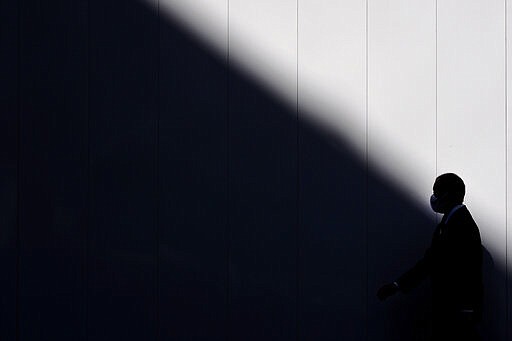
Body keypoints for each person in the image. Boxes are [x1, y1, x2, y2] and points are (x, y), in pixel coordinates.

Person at [377, 173, 483, 341]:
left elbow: (437, 264)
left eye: (436, 191)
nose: (434, 197)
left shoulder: (460, 225)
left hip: (456, 310)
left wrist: (466, 309)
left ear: (447, 195)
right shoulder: (451, 222)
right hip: (453, 309)